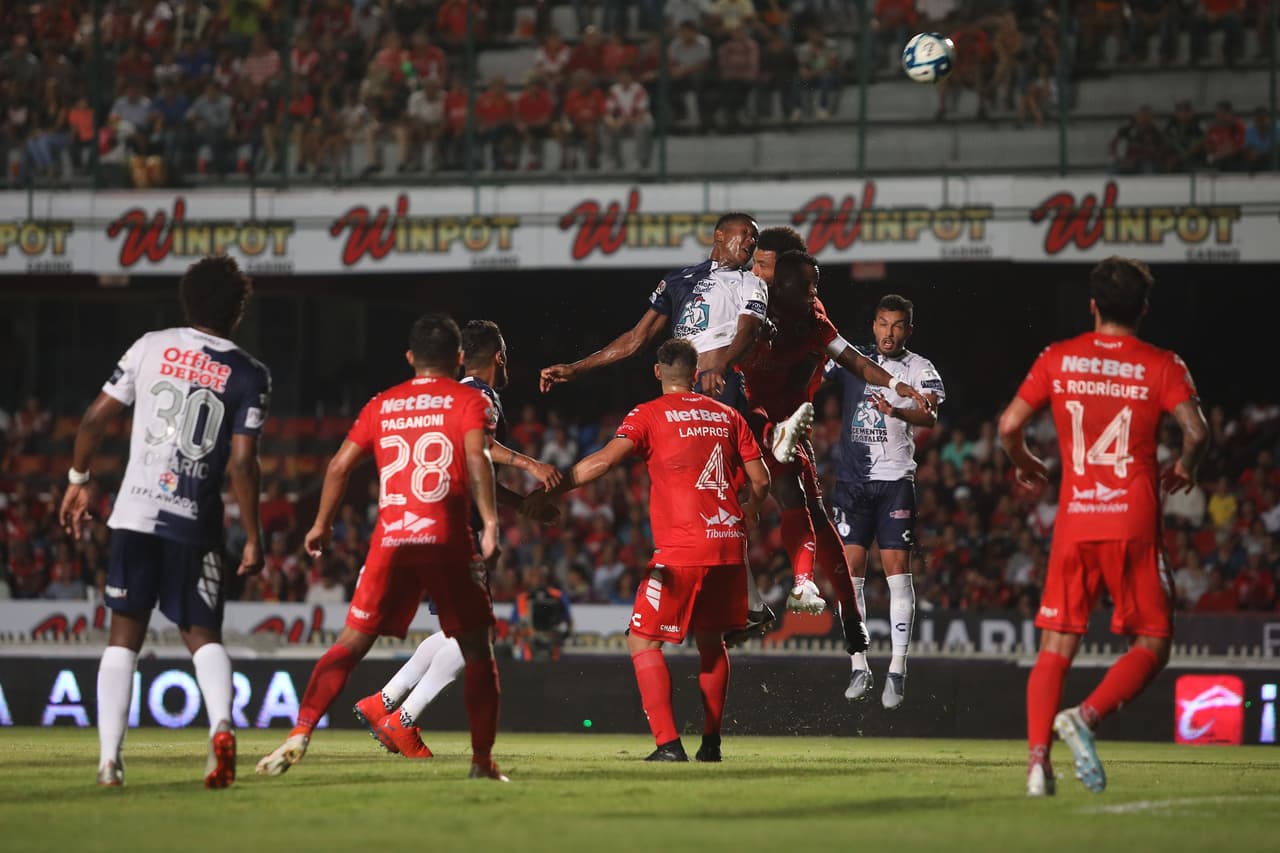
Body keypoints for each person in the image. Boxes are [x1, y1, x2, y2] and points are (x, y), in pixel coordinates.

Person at [256, 314, 509, 782]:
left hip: (391, 539)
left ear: (410, 358)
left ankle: (301, 731)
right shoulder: (467, 399)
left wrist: (320, 526)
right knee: (478, 649)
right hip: (447, 539)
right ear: (458, 359)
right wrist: (491, 523)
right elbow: (478, 459)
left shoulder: (382, 403)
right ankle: (481, 762)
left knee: (350, 645)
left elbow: (337, 467)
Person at [997, 256, 1208, 797]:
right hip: (1131, 516)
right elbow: (1196, 430)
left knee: (1055, 645)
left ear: (1093, 305)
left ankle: (1037, 766)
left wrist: (1023, 463)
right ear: (1142, 308)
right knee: (1154, 640)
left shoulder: (1058, 357)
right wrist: (1185, 466)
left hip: (1076, 518)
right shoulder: (1161, 364)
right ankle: (1086, 718)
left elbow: (1009, 425)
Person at [58, 256, 271, 789]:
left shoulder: (150, 345)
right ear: (238, 311)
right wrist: (254, 535)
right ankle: (221, 726)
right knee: (203, 636)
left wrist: (78, 478)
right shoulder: (250, 373)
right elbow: (244, 463)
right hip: (196, 520)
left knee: (122, 638)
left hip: (134, 513)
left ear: (186, 300)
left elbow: (93, 419)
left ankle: (109, 760)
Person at [528, 339, 770, 761]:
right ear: (695, 375)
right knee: (712, 643)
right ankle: (710, 746)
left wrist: (553, 489)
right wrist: (749, 508)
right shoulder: (728, 415)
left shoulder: (648, 415)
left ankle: (668, 745)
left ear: (657, 373)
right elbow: (761, 480)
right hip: (731, 549)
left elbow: (603, 462)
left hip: (682, 550)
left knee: (642, 642)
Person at [540, 212, 775, 630]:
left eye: (754, 241)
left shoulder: (750, 282)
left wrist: (721, 361)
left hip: (721, 384)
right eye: (745, 237)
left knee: (713, 490)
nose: (750, 246)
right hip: (684, 385)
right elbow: (635, 339)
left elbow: (749, 330)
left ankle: (745, 597)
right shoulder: (680, 279)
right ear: (720, 236)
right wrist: (578, 369)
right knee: (693, 494)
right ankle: (748, 603)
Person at [351, 320, 560, 757]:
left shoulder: (456, 395)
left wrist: (521, 504)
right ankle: (402, 721)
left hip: (424, 524)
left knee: (455, 632)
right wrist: (532, 466)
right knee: (474, 636)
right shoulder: (479, 397)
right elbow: (481, 447)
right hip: (454, 532)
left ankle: (383, 702)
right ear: (499, 357)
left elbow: (471, 469)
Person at [825, 293, 944, 709]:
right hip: (852, 482)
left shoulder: (921, 368)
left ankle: (897, 668)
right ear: (873, 325)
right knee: (850, 572)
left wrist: (897, 412)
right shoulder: (855, 360)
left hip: (894, 481)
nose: (888, 333)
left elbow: (929, 415)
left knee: (896, 572)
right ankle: (859, 663)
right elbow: (813, 367)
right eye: (882, 323)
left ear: (908, 329)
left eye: (897, 325)